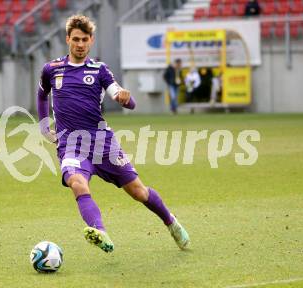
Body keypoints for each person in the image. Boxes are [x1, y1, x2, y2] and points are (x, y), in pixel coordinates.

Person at [37, 15, 189, 253]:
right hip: (70, 144)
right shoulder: (52, 69)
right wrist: (44, 123)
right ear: (67, 39)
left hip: (102, 143)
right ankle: (100, 232)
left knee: (138, 192)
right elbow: (42, 94)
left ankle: (171, 222)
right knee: (77, 182)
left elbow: (121, 96)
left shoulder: (100, 70)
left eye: (85, 39)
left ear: (91, 41)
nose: (80, 44)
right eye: (75, 39)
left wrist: (125, 99)